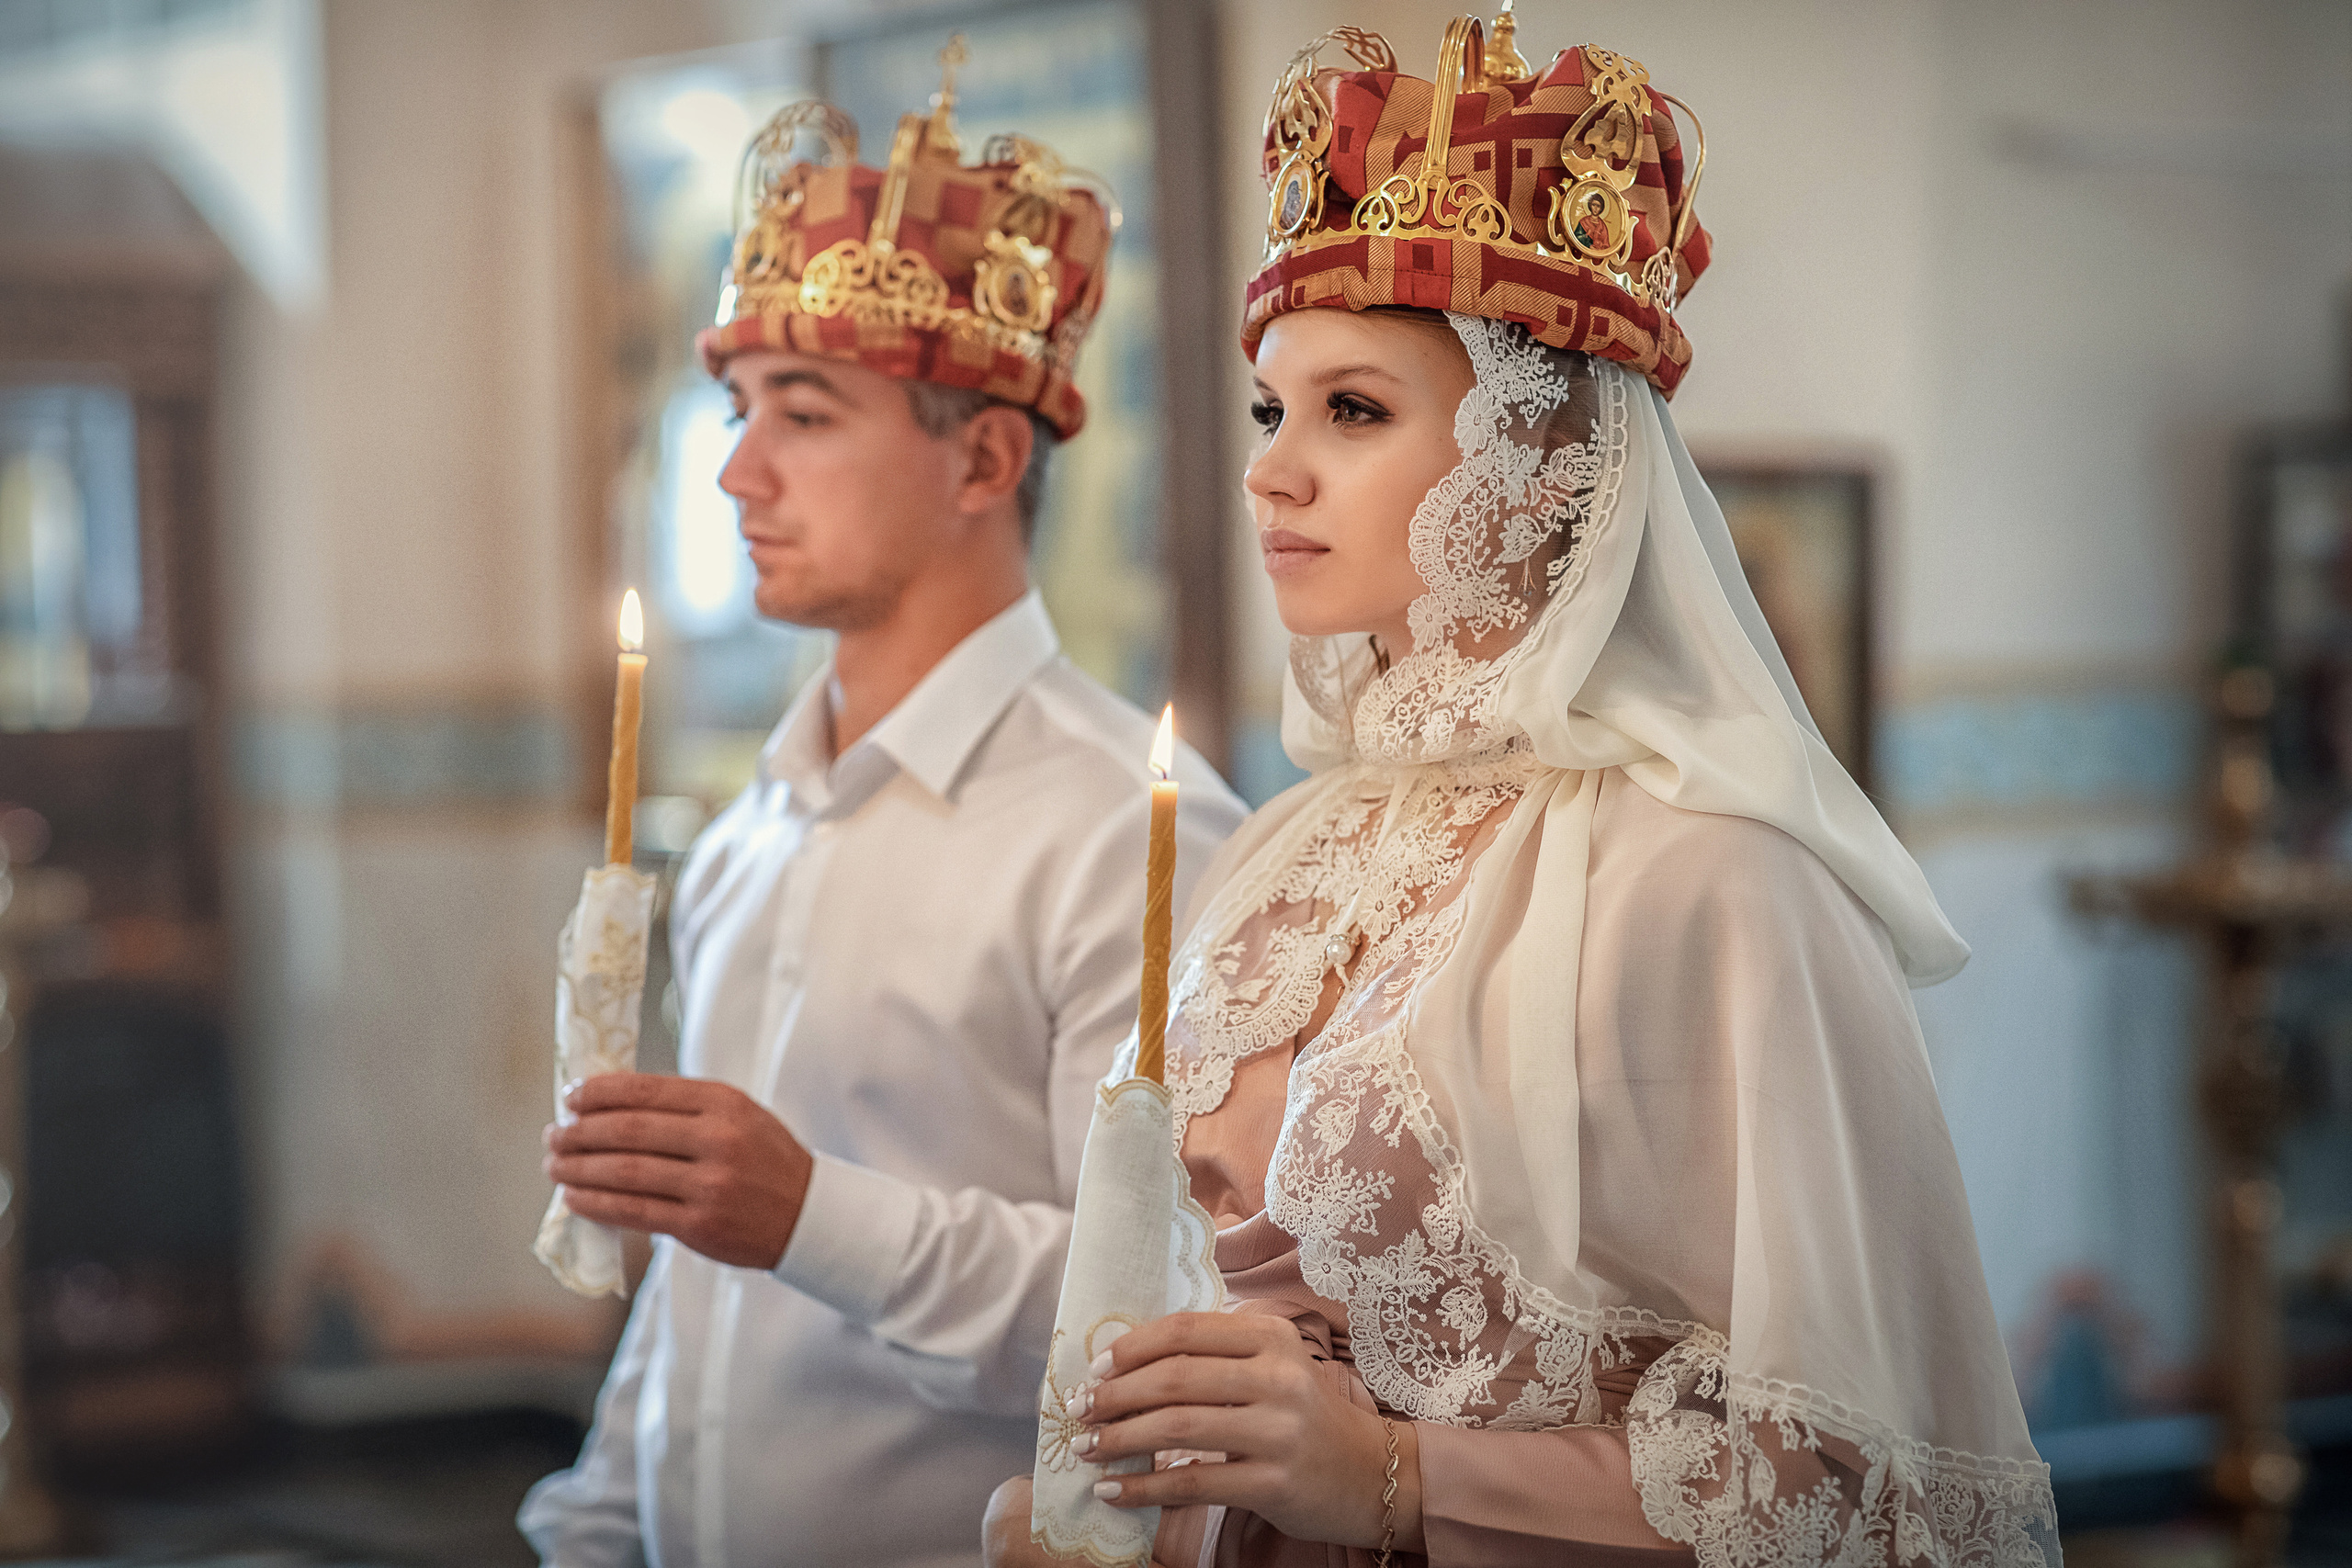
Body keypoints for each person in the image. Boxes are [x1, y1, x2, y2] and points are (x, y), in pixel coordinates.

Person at [987, 17, 2058, 1567]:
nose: (1271, 473)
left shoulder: (1709, 872)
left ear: (1535, 453)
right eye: (1270, 412)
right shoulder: (1288, 852)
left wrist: (1394, 1475)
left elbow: (1859, 1476)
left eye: (1354, 411)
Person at [520, 49, 1246, 1568]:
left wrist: (809, 1216)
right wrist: (590, 1527)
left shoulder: (1132, 834)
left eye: (805, 412)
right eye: (734, 405)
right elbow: (692, 1313)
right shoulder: (746, 836)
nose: (735, 471)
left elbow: (1170, 1322)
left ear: (981, 455)